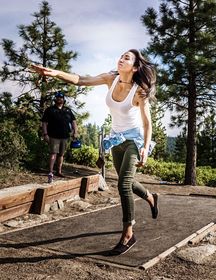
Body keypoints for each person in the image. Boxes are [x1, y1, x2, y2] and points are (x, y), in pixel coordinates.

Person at [31, 49, 158, 255]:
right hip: (116, 139)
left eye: (127, 58)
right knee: (128, 181)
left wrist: (145, 146)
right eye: (121, 55)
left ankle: (128, 233)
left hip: (134, 140)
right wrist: (55, 73)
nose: (121, 59)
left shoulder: (139, 91)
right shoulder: (111, 79)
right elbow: (81, 80)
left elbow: (147, 122)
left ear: (135, 67)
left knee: (123, 184)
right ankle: (150, 197)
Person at [42, 91, 78, 183]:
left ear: (63, 99)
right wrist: (45, 134)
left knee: (61, 154)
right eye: (58, 98)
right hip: (53, 136)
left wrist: (75, 132)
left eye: (61, 98)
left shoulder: (68, 110)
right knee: (53, 153)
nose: (59, 99)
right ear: (55, 99)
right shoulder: (50, 110)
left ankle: (59, 171)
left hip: (65, 136)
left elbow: (73, 122)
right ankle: (50, 172)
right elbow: (44, 123)